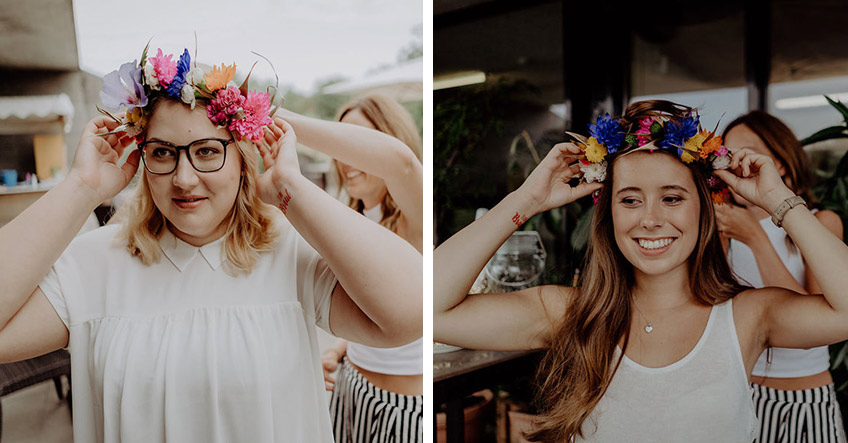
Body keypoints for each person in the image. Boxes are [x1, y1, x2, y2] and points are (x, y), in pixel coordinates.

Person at [0, 45, 421, 442]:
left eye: (206, 151)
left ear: (242, 162)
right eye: (163, 153)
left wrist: (291, 189)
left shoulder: (291, 254)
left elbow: (410, 311)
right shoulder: (94, 264)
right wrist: (81, 188)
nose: (184, 178)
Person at [434, 100, 848, 442]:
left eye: (672, 198)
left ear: (704, 210)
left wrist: (779, 200)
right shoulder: (567, 312)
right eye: (630, 200)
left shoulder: (749, 315)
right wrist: (526, 198)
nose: (649, 219)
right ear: (608, 212)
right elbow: (428, 310)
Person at [277, 94, 424, 442]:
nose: (345, 159)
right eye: (339, 146)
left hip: (401, 407)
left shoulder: (416, 216)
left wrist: (268, 116)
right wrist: (340, 349)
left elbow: (401, 164)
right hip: (350, 389)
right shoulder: (351, 221)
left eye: (356, 143)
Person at [718, 111, 845, 442]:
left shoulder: (821, 222)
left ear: (780, 164)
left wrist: (756, 238)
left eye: (744, 152)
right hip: (742, 396)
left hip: (805, 399)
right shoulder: (724, 229)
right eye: (726, 154)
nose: (732, 164)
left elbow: (820, 326)